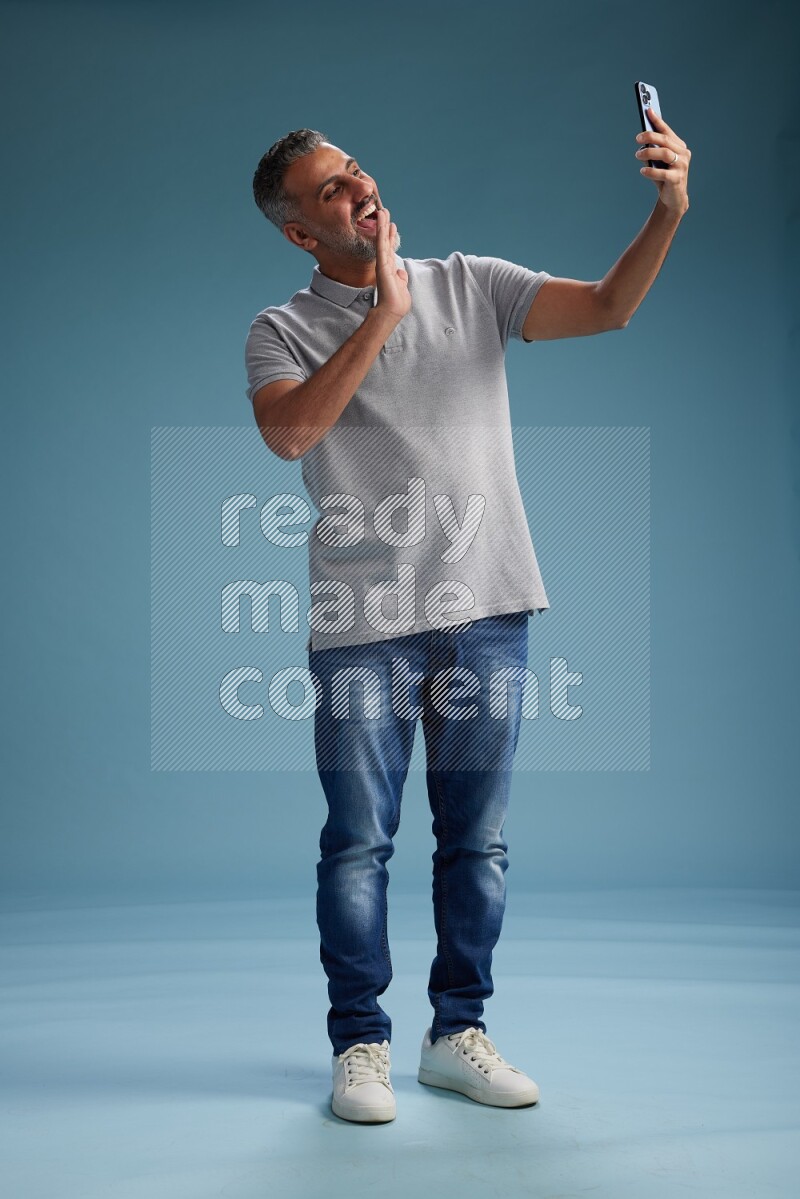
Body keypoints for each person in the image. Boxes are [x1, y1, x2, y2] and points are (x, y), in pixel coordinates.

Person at [245, 119, 691, 1124]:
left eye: (356, 170)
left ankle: (456, 1034)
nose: (359, 189)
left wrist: (666, 210)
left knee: (475, 842)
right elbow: (290, 434)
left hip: (487, 606)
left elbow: (610, 308)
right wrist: (379, 314)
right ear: (299, 235)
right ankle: (359, 1043)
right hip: (361, 625)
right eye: (329, 191)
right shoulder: (279, 328)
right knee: (357, 844)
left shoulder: (471, 283)